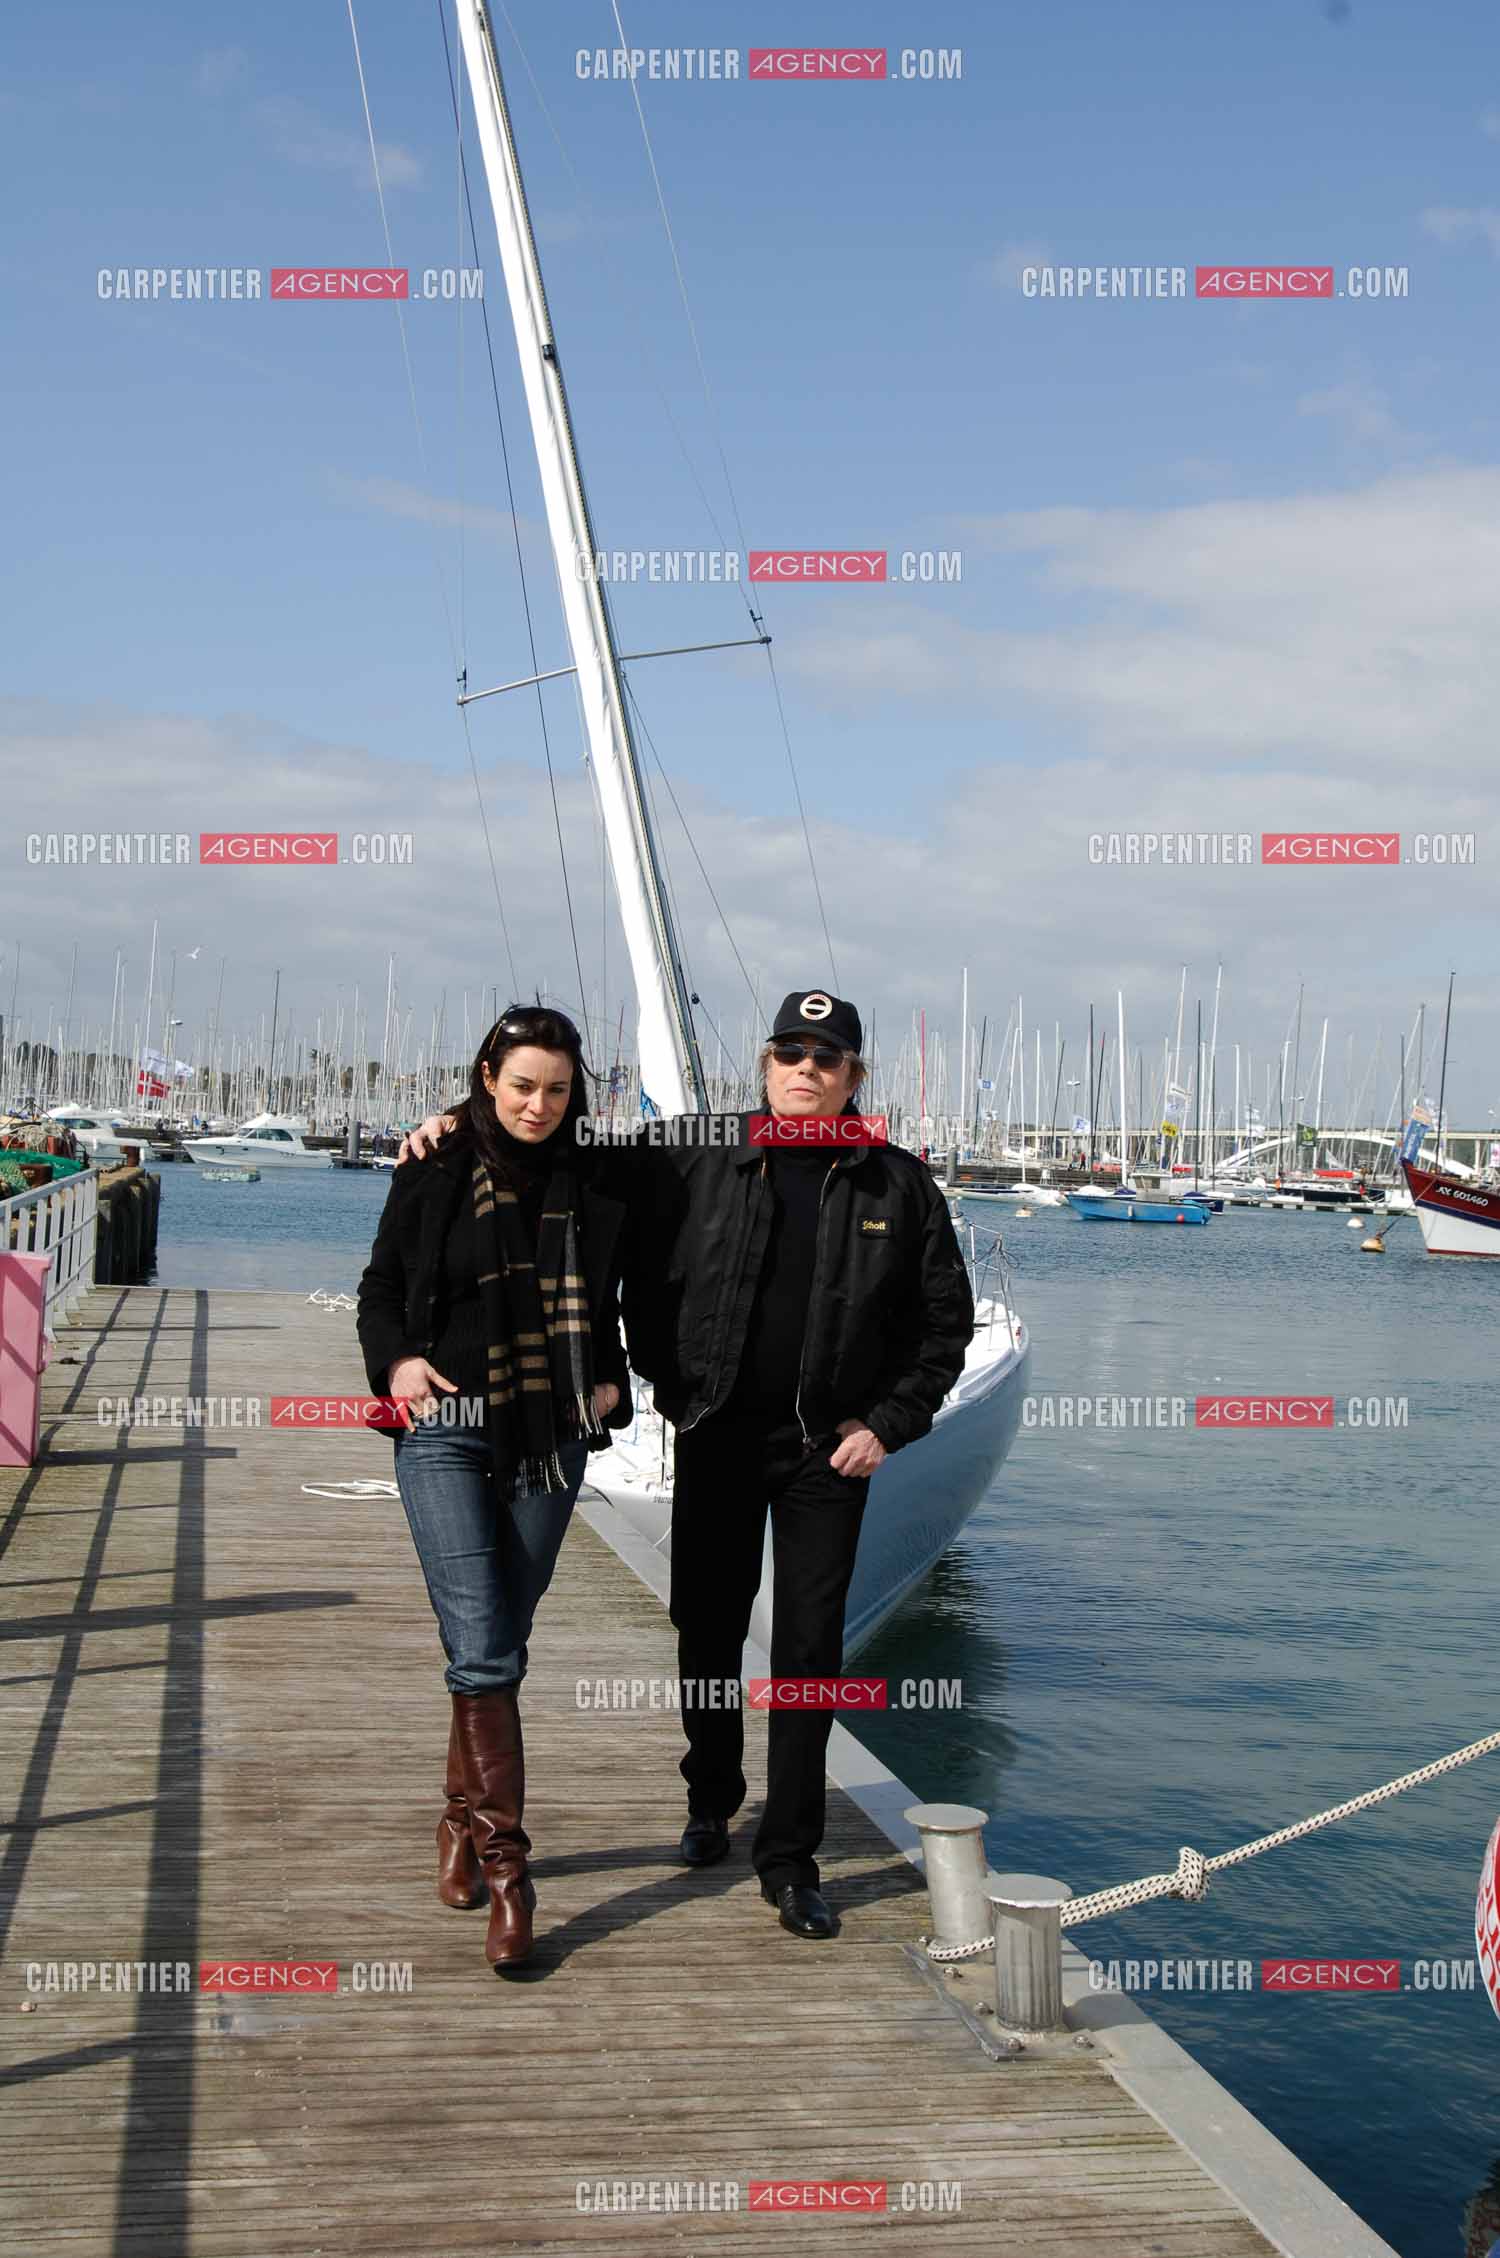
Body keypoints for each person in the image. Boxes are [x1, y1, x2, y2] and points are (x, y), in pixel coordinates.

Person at [406, 988, 974, 1943]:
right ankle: (711, 1799)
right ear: (765, 1065)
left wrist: (887, 1423)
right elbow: (554, 1137)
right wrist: (454, 1124)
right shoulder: (698, 1152)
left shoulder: (898, 1184)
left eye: (826, 1058)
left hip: (829, 1452)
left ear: (854, 1077)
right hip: (715, 1432)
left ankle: (790, 1859)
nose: (805, 1070)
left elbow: (943, 1325)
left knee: (808, 1654)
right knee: (706, 1628)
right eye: (789, 1052)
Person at [357, 1006, 631, 1971]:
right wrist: (396, 1364)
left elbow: (614, 1300)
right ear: (486, 1078)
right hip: (443, 1425)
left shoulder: (598, 1174)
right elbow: (381, 1287)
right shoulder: (434, 1163)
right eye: (521, 1086)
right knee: (483, 1647)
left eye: (556, 1089)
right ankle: (511, 1874)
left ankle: (457, 1818)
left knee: (497, 1644)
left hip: (551, 1434)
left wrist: (612, 1377)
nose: (538, 1106)